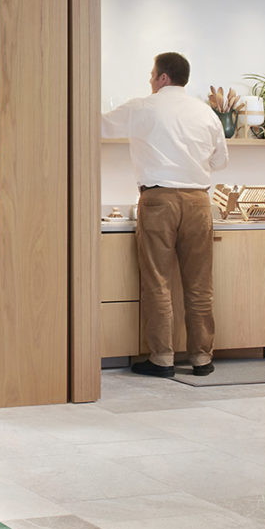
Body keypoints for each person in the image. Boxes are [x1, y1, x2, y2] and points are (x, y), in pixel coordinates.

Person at [101, 51, 229, 378]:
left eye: (151, 74)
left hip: (159, 201)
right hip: (200, 201)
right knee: (200, 284)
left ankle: (162, 359)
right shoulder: (206, 112)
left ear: (163, 78)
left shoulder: (143, 106)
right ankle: (202, 358)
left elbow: (99, 125)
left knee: (158, 281)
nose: (149, 79)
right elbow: (219, 162)